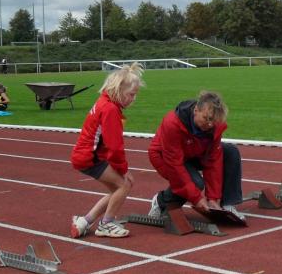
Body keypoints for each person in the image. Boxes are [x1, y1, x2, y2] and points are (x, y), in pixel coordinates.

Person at [69, 63, 144, 238]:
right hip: (90, 157)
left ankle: (84, 221)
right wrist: (123, 170)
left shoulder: (105, 102)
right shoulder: (110, 109)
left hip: (87, 155)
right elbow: (115, 147)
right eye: (131, 94)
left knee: (116, 189)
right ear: (118, 90)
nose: (133, 99)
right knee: (124, 185)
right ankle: (106, 224)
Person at [147, 90, 243, 218]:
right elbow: (175, 166)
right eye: (206, 118)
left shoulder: (215, 126)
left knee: (230, 152)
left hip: (193, 152)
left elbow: (213, 161)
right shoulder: (172, 123)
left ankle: (227, 205)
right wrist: (196, 198)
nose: (209, 124)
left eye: (213, 121)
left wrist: (213, 198)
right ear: (196, 110)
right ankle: (161, 202)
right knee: (195, 183)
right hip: (164, 155)